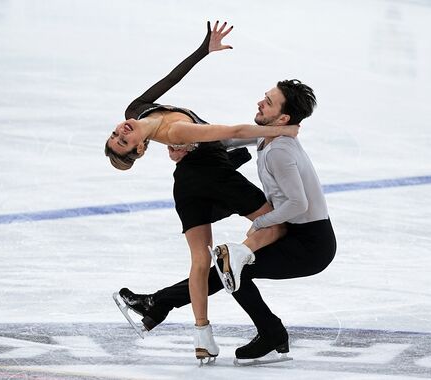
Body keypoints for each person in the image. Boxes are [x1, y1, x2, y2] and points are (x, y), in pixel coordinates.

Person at [106, 21, 297, 363]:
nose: (123, 130)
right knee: (275, 226)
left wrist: (203, 50)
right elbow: (233, 129)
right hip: (214, 176)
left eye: (116, 134)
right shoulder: (176, 131)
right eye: (125, 142)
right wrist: (287, 129)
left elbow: (171, 78)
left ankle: (202, 337)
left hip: (188, 184)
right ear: (139, 150)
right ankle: (238, 255)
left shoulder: (136, 110)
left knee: (198, 260)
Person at [118, 80, 337, 364]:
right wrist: (190, 144)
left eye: (268, 102)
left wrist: (260, 223)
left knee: (233, 270)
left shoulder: (281, 151)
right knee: (229, 269)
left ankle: (271, 334)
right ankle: (158, 304)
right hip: (298, 234)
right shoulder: (267, 137)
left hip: (311, 245)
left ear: (283, 119)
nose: (260, 102)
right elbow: (229, 139)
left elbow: (298, 205)